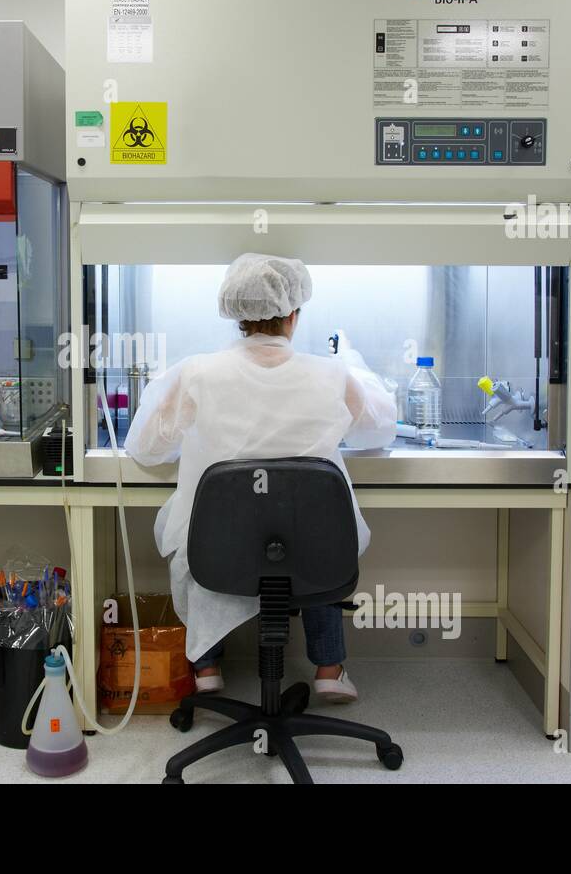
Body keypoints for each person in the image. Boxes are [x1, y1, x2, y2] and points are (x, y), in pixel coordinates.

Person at [124, 253, 396, 703]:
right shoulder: (329, 374)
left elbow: (146, 447)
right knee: (320, 535)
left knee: (194, 530)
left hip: (221, 551)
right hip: (311, 550)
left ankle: (206, 668)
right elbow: (380, 425)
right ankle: (329, 668)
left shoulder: (197, 371)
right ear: (293, 314)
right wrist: (354, 363)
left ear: (238, 318)